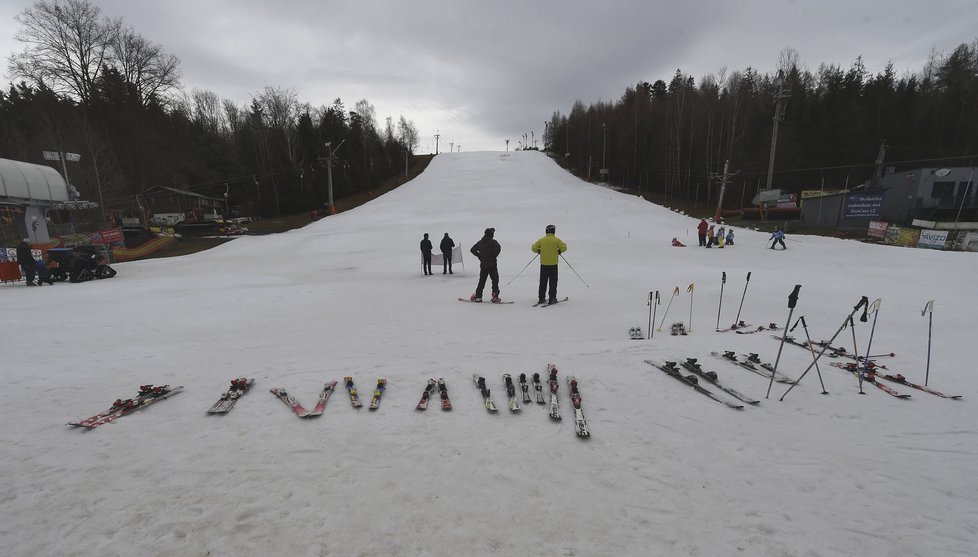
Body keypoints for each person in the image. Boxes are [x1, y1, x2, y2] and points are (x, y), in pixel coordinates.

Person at [531, 224, 567, 305]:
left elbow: (533, 248)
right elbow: (564, 247)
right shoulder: (557, 240)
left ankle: (541, 298)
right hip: (553, 265)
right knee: (553, 282)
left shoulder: (541, 240)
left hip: (543, 265)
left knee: (543, 282)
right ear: (554, 231)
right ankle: (552, 298)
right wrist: (559, 251)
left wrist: (539, 251)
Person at [470, 227, 501, 302]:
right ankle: (495, 296)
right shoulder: (494, 242)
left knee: (482, 281)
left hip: (483, 266)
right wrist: (493, 256)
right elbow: (499, 249)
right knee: (495, 281)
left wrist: (480, 256)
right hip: (492, 265)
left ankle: (478, 296)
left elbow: (472, 250)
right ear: (491, 234)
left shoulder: (480, 242)